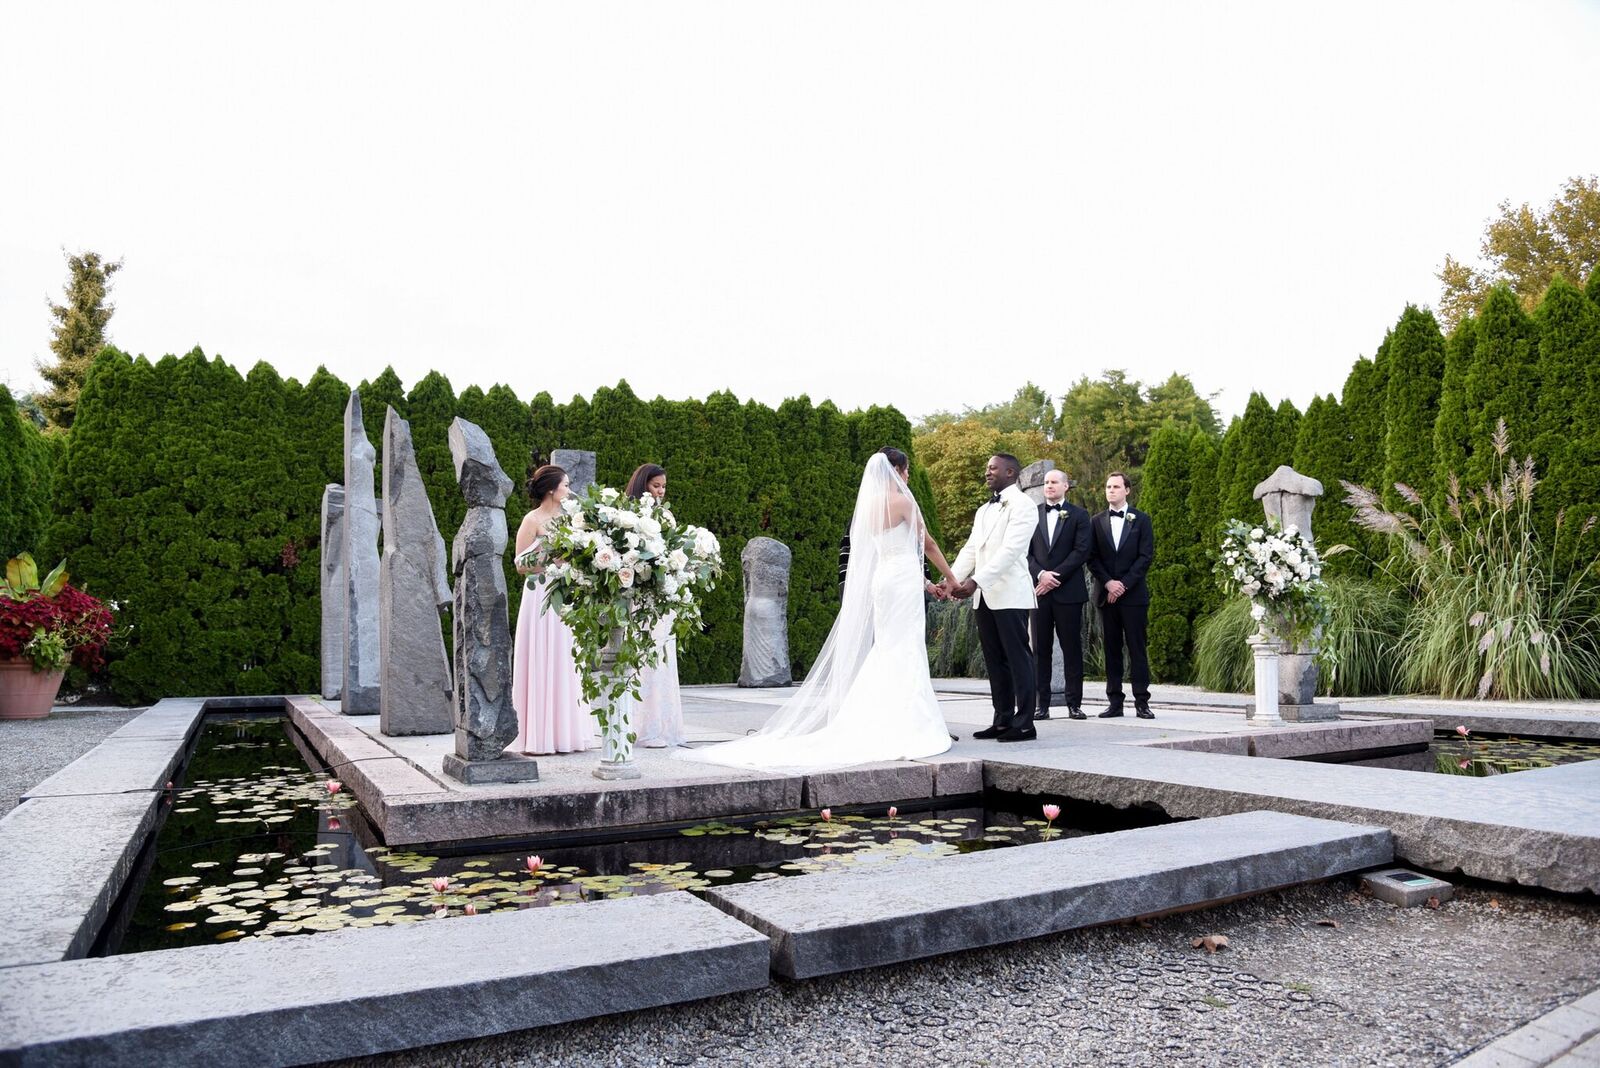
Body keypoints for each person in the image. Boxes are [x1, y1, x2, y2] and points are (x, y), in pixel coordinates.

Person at [681, 451, 957, 770]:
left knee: (888, 647)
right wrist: (951, 578)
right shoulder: (904, 503)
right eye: (906, 471)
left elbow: (883, 556)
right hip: (901, 583)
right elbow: (929, 545)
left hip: (886, 582)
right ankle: (907, 722)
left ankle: (874, 717)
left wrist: (926, 584)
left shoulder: (866, 509)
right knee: (904, 647)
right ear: (897, 471)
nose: (908, 477)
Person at [940, 453, 1040, 742]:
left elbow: (1010, 552)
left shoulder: (1023, 506)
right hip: (984, 596)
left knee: (1018, 659)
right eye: (987, 468)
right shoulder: (984, 510)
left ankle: (1025, 723)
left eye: (993, 468)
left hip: (1010, 595)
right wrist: (952, 581)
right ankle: (1002, 718)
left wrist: (975, 581)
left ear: (1010, 472)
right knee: (995, 660)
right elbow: (971, 549)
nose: (987, 472)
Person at [511, 465, 596, 754]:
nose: (569, 490)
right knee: (539, 656)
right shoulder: (531, 519)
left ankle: (567, 733)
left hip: (566, 595)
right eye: (565, 484)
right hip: (539, 595)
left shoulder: (571, 519)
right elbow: (520, 564)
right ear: (551, 488)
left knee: (565, 658)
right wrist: (550, 560)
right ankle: (536, 735)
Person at [625, 463, 685, 748]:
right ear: (643, 486)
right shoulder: (629, 515)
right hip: (640, 596)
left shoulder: (667, 516)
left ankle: (662, 725)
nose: (660, 491)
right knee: (642, 657)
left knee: (662, 657)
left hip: (663, 596)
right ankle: (640, 726)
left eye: (663, 486)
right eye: (655, 486)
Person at [1088, 471, 1155, 719]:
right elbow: (1091, 558)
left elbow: (1145, 557)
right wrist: (1108, 584)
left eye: (1116, 486)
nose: (1111, 490)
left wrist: (1122, 585)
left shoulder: (1142, 520)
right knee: (1111, 649)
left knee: (1137, 648)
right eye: (1108, 486)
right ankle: (1114, 702)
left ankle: (1142, 702)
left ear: (1127, 490)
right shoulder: (1096, 522)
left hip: (1134, 596)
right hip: (1107, 596)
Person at [1028, 469, 1092, 720]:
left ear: (1066, 486)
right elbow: (1025, 552)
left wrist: (1054, 578)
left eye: (1054, 482)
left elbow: (1081, 551)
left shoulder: (1079, 515)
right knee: (1040, 650)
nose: (1049, 486)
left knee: (1071, 648)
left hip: (1069, 592)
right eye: (1046, 483)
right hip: (1039, 592)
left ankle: (1074, 703)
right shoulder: (1031, 515)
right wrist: (1040, 574)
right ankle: (1040, 704)